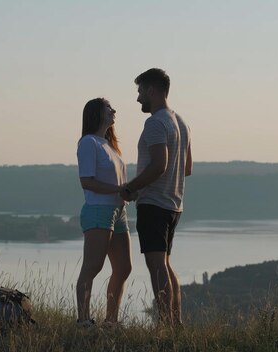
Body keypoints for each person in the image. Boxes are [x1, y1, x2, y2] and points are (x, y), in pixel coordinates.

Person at [120, 68, 192, 326]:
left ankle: (164, 325)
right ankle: (175, 324)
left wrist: (131, 188)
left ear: (152, 90)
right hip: (175, 204)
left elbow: (159, 164)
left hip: (154, 204)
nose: (138, 98)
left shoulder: (155, 123)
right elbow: (187, 168)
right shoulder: (181, 123)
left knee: (156, 266)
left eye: (140, 91)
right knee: (165, 265)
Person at [75, 97, 133, 327]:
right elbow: (87, 182)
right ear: (96, 113)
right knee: (92, 267)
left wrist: (127, 192)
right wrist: (120, 189)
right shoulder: (89, 143)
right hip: (99, 210)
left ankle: (111, 321)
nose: (114, 111)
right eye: (109, 108)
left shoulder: (109, 144)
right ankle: (83, 320)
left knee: (124, 267)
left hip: (118, 211)